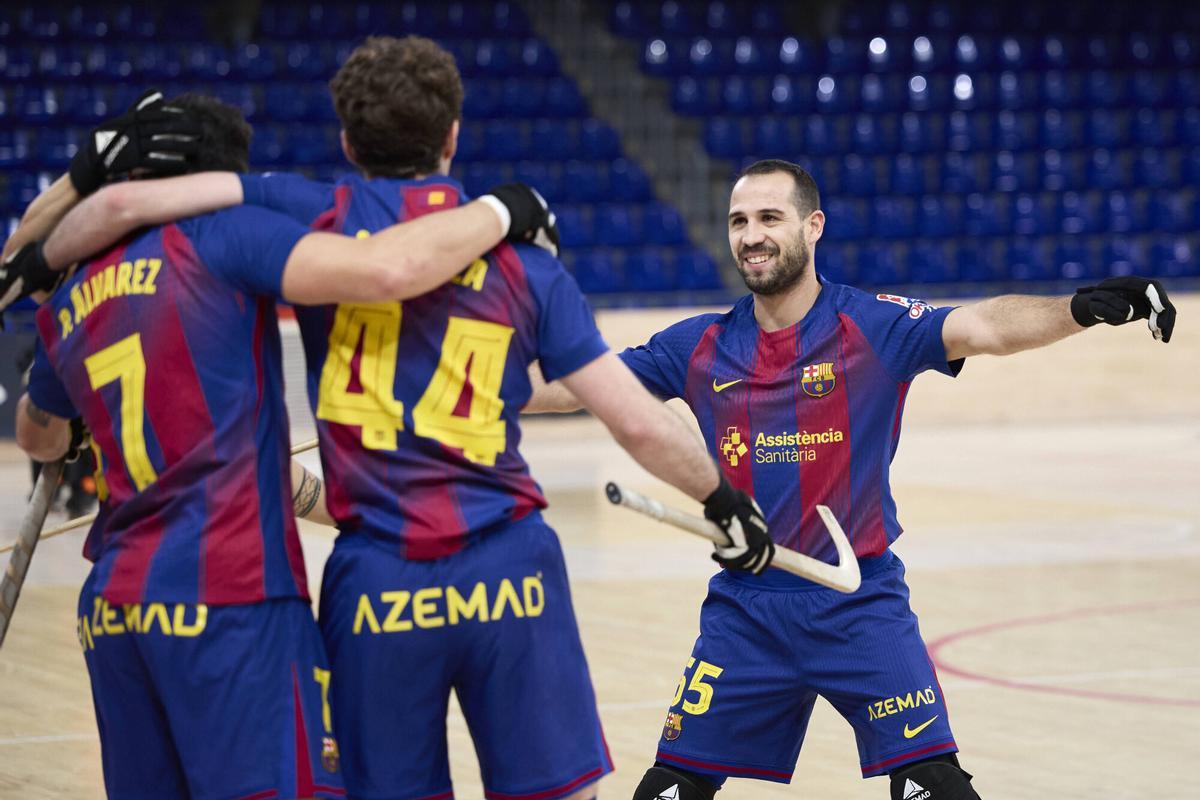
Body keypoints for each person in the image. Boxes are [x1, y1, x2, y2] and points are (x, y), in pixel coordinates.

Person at [16, 38, 774, 800]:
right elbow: (637, 423)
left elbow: (134, 208)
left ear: (347, 142)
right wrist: (724, 503)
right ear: (453, 134)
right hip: (509, 572)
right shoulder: (523, 261)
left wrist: (50, 243)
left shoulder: (311, 216)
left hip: (372, 577)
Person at [525, 159, 1177, 800]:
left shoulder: (873, 326)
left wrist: (1081, 308)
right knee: (670, 790)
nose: (752, 234)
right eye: (739, 220)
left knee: (934, 786)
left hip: (860, 605)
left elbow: (983, 327)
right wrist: (445, 379)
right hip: (746, 611)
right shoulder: (696, 345)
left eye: (770, 217)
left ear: (813, 226)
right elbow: (575, 383)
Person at [12, 92, 582, 800]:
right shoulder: (229, 238)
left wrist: (71, 429)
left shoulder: (71, 289)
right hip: (230, 596)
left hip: (112, 611)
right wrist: (501, 212)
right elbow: (387, 271)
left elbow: (37, 431)